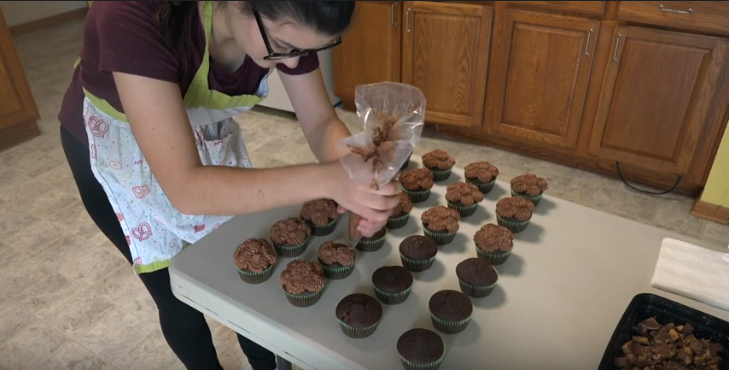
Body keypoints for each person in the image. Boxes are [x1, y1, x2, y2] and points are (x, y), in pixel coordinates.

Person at [58, 2, 400, 370]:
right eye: (283, 46)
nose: (290, 62)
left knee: (243, 274)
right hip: (119, 155)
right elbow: (188, 188)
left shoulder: (288, 23)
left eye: (308, 52)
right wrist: (330, 180)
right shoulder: (130, 14)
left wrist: (354, 170)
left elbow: (319, 122)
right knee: (177, 295)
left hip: (202, 143)